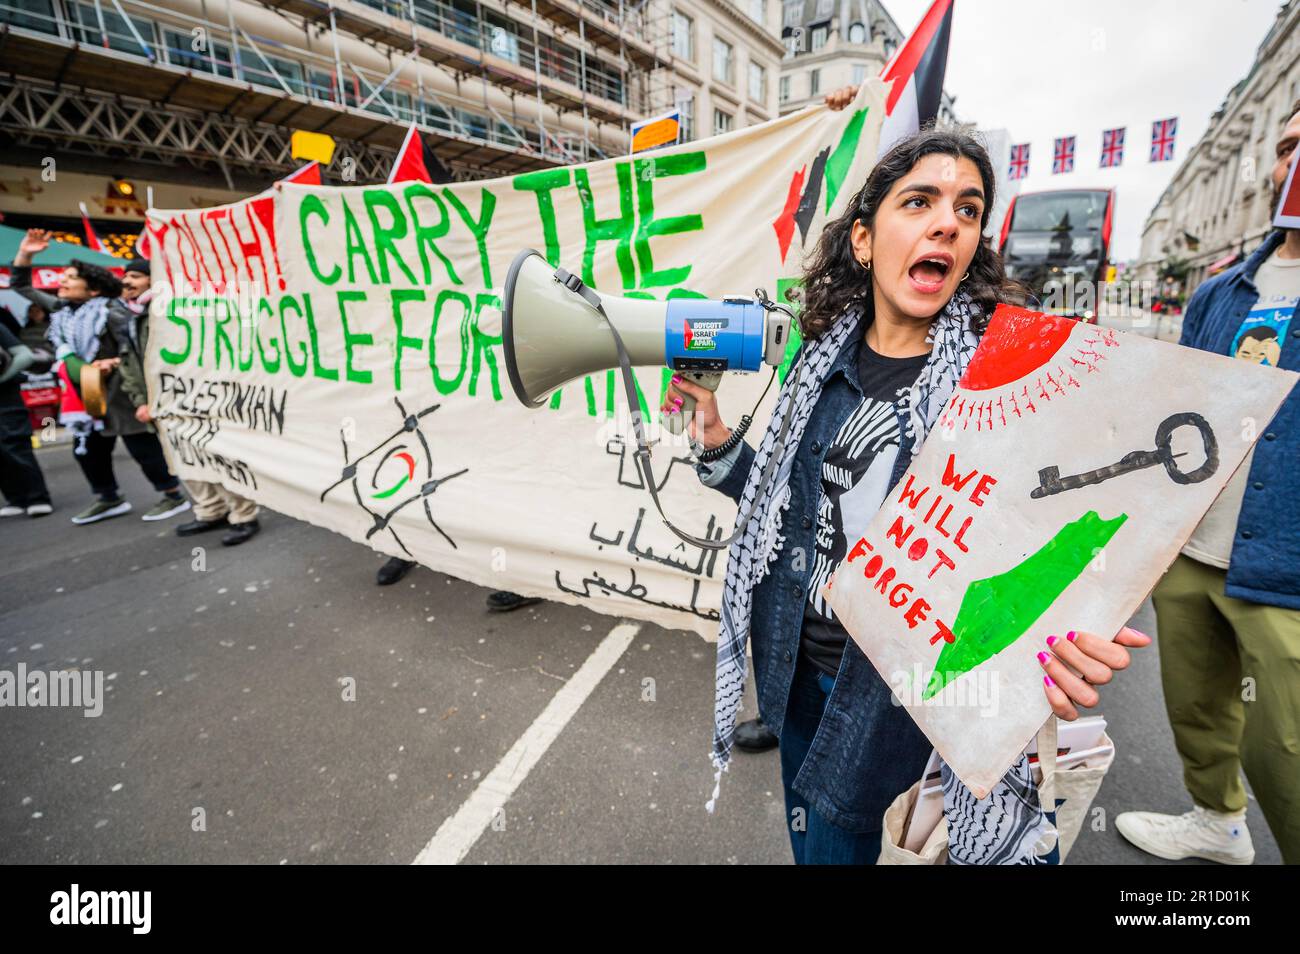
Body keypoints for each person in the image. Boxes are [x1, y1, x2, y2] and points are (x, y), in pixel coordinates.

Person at [664, 126, 1149, 864]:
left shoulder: (1005, 384)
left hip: (910, 708)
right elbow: (793, 512)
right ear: (864, 240)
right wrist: (717, 439)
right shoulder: (818, 361)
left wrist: (1075, 633)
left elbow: (1051, 542)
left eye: (967, 208)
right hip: (797, 672)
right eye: (919, 200)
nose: (947, 221)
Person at [1116, 100, 1300, 866]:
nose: (1296, 157)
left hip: (1285, 568)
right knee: (1196, 708)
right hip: (1193, 550)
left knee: (1285, 750)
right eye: (1290, 142)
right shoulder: (1221, 293)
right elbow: (1176, 413)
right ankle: (1217, 823)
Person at [12, 230, 188, 525]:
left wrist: (116, 361)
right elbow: (21, 285)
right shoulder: (63, 311)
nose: (62, 282)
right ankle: (108, 497)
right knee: (89, 448)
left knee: (140, 446)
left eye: (70, 277)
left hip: (121, 390)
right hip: (89, 391)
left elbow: (141, 346)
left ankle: (172, 494)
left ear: (93, 289)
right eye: (63, 277)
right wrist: (26, 254)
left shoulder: (112, 312)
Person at [0, 321, 53, 517]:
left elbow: (25, 356)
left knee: (15, 446)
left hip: (5, 398)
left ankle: (37, 497)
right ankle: (15, 498)